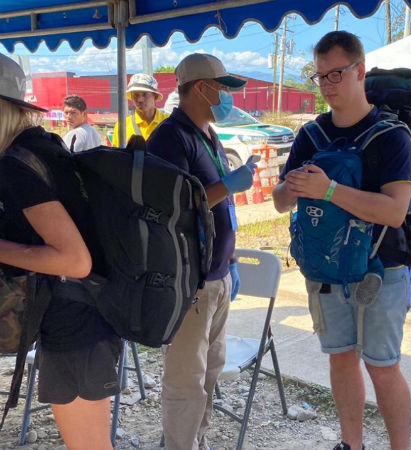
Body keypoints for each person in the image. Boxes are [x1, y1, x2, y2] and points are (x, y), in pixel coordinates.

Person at [273, 31, 411, 450]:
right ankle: (351, 445)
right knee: (340, 358)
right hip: (326, 269)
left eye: (336, 73)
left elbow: (394, 211)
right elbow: (281, 202)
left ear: (360, 71)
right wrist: (293, 188)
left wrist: (329, 190)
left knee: (383, 366)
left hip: (382, 270)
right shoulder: (310, 136)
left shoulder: (392, 136)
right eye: (320, 77)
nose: (329, 85)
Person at [0, 54, 119, 450]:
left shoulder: (16, 165)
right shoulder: (43, 146)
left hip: (74, 320)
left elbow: (74, 260)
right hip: (87, 312)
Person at [146, 52, 255, 450]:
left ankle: (197, 440)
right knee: (185, 379)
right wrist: (229, 185)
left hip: (218, 276)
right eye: (222, 88)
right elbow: (169, 210)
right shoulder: (170, 138)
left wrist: (233, 260)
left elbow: (222, 210)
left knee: (210, 372)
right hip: (190, 281)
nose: (227, 96)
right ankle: (179, 444)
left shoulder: (208, 133)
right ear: (200, 88)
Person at [112, 73, 168, 146]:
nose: (140, 99)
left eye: (145, 94)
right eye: (136, 95)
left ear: (155, 96)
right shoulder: (123, 126)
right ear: (131, 96)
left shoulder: (168, 122)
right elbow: (117, 155)